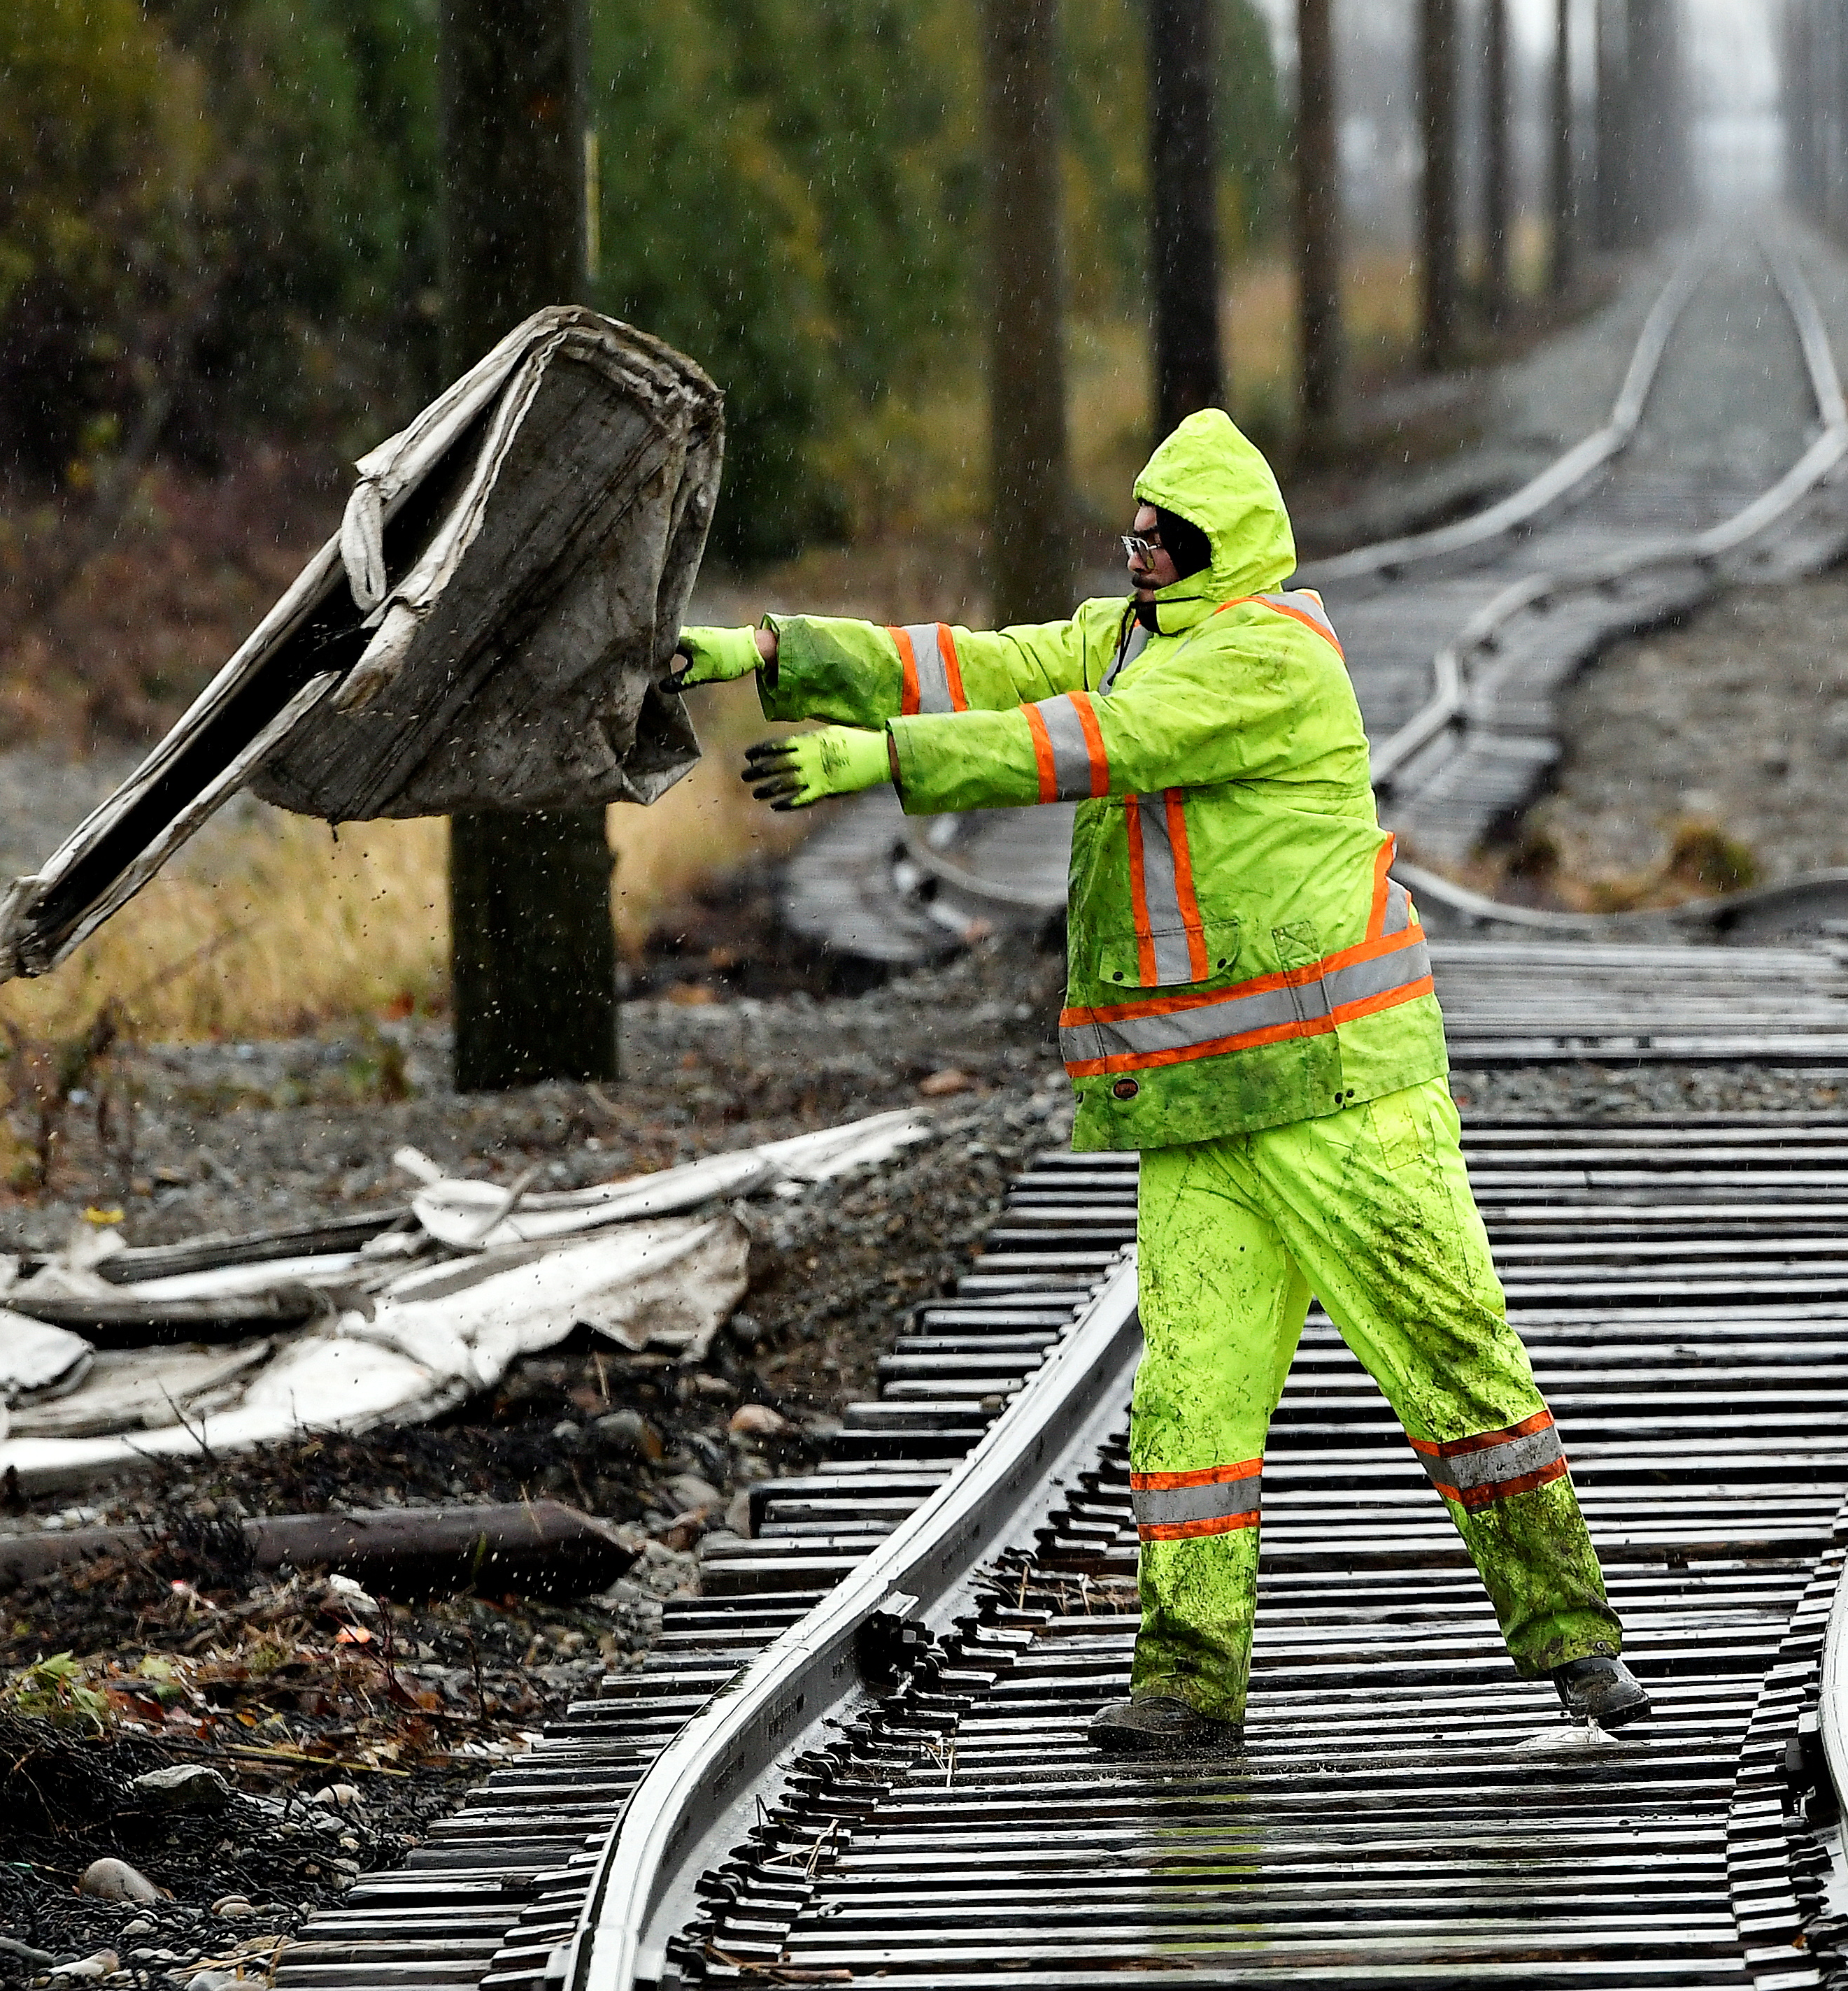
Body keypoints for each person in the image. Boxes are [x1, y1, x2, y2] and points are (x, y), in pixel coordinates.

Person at [666, 409, 1640, 1754]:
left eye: (1161, 537)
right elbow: (981, 665)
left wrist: (880, 763)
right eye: (1133, 533)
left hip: (1338, 1093)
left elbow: (1092, 743)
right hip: (1197, 1107)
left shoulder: (1264, 660)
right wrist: (770, 654)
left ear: (1214, 546)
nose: (1138, 553)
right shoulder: (1135, 635)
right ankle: (1187, 1677)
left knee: (1451, 1359)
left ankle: (1573, 1641)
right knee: (1189, 1401)